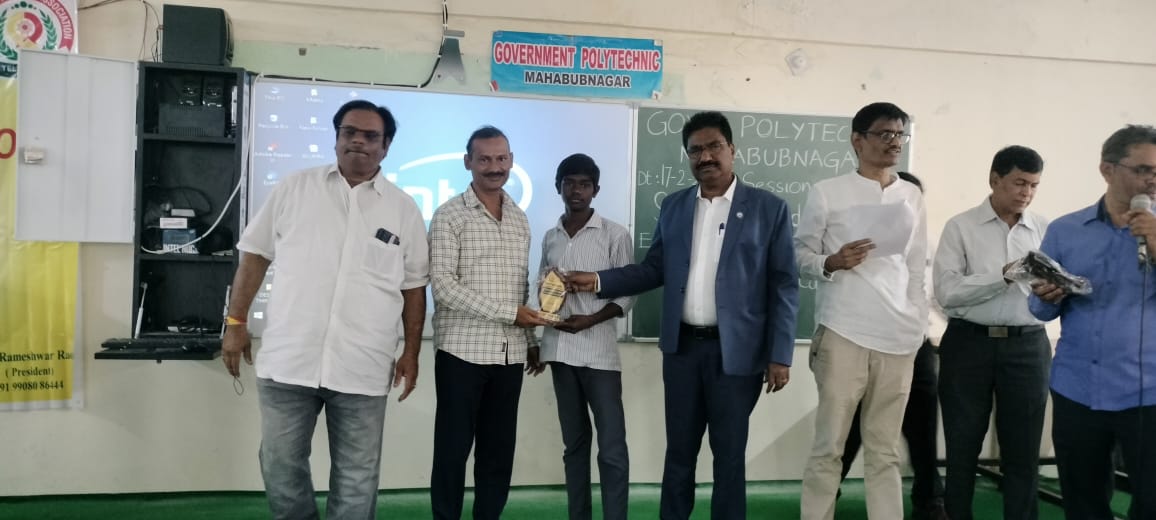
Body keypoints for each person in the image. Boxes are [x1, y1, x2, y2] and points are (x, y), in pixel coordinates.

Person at [566, 111, 799, 520]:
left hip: (737, 356)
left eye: (714, 147)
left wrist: (780, 354)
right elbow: (654, 268)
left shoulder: (768, 208)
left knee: (729, 456)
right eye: (695, 150)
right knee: (679, 453)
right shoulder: (674, 206)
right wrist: (599, 280)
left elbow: (784, 284)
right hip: (683, 351)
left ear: (732, 150)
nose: (705, 156)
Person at [222, 99, 429, 519]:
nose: (358, 141)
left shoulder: (403, 208)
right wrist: (235, 321)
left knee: (357, 478)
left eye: (370, 135)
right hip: (289, 362)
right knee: (280, 467)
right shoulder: (294, 188)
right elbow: (255, 255)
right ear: (336, 138)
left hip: (362, 366)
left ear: (386, 146)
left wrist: (411, 351)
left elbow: (413, 288)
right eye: (349, 132)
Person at [795, 102, 928, 520]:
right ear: (858, 140)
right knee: (829, 446)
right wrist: (832, 262)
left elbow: (916, 267)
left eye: (900, 134)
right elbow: (798, 254)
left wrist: (917, 320)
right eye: (885, 134)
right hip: (844, 332)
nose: (895, 142)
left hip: (898, 338)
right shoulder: (827, 191)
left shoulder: (911, 195)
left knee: (885, 451)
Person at [1030, 125, 1156, 520]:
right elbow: (1040, 311)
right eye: (1143, 170)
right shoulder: (1065, 230)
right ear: (1107, 169)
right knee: (1083, 503)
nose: (1152, 180)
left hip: (1149, 392)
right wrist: (1045, 296)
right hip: (1078, 388)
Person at [428, 125, 549, 520]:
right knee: (452, 453)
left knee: (497, 455)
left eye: (501, 159)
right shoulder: (449, 215)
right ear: (468, 162)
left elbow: (520, 287)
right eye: (484, 159)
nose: (494, 167)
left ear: (511, 161)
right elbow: (444, 287)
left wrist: (531, 339)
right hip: (461, 353)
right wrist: (510, 314)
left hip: (510, 355)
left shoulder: (519, 218)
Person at [933, 145, 1050, 520]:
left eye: (1033, 185)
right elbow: (948, 293)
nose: (1026, 193)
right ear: (994, 179)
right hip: (969, 344)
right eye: (1019, 183)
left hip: (1028, 346)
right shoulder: (961, 227)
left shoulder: (1045, 230)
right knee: (962, 447)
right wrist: (1003, 276)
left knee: (1023, 452)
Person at [839, 171, 946, 520]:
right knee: (850, 424)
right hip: (865, 343)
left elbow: (937, 296)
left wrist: (944, 326)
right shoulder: (860, 240)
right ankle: (828, 490)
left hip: (916, 345)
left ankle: (929, 500)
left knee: (922, 426)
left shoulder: (928, 244)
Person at [539, 153, 635, 520]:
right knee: (574, 446)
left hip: (599, 356)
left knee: (611, 449)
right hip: (559, 351)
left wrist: (591, 319)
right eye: (569, 183)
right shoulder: (550, 237)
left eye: (584, 184)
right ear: (558, 187)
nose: (576, 190)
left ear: (596, 189)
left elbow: (627, 293)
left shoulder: (615, 234)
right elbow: (541, 288)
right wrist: (538, 335)